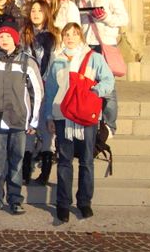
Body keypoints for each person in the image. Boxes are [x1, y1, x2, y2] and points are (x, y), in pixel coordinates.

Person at [43, 22, 114, 222]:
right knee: (65, 161)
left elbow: (108, 80)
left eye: (74, 34)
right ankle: (63, 203)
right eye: (67, 34)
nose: (70, 38)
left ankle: (84, 201)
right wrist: (49, 115)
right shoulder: (57, 60)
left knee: (86, 160)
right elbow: (50, 91)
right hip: (63, 114)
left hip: (85, 115)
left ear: (81, 36)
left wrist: (93, 92)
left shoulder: (94, 58)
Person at [0, 23, 43, 215]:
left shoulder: (27, 62)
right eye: (1, 36)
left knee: (17, 162)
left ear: (15, 39)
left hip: (19, 119)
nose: (4, 39)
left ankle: (15, 199)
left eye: (7, 36)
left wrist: (33, 121)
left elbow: (37, 92)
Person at [78, 0, 129, 137]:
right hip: (87, 45)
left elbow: (123, 19)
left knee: (108, 86)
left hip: (105, 43)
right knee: (88, 84)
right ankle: (92, 119)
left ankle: (109, 125)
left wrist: (105, 17)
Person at [20, 1, 59, 185]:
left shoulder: (54, 35)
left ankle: (45, 171)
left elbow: (55, 61)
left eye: (39, 11)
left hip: (47, 84)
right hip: (28, 85)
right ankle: (25, 170)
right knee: (28, 125)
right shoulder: (25, 34)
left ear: (46, 14)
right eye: (33, 11)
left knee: (46, 126)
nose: (35, 14)